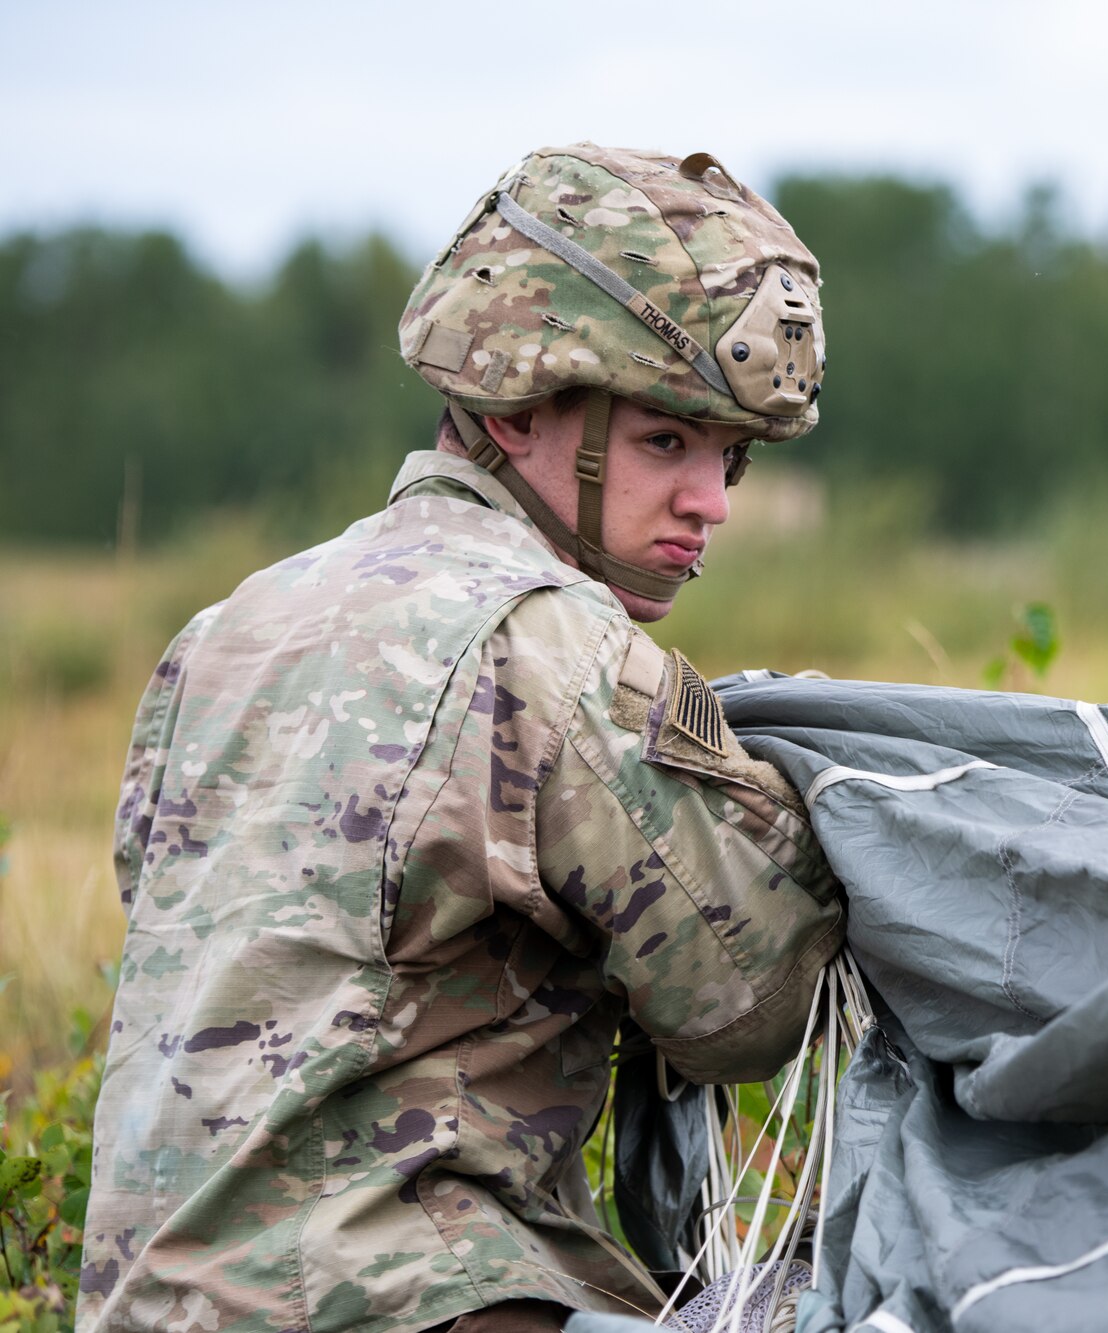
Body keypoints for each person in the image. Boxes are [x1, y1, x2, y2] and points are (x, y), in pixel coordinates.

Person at [79, 144, 843, 1333]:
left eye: (728, 456)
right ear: (521, 407)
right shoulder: (556, 647)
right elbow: (745, 1003)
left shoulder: (226, 629)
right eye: (666, 442)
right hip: (420, 1295)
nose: (712, 501)